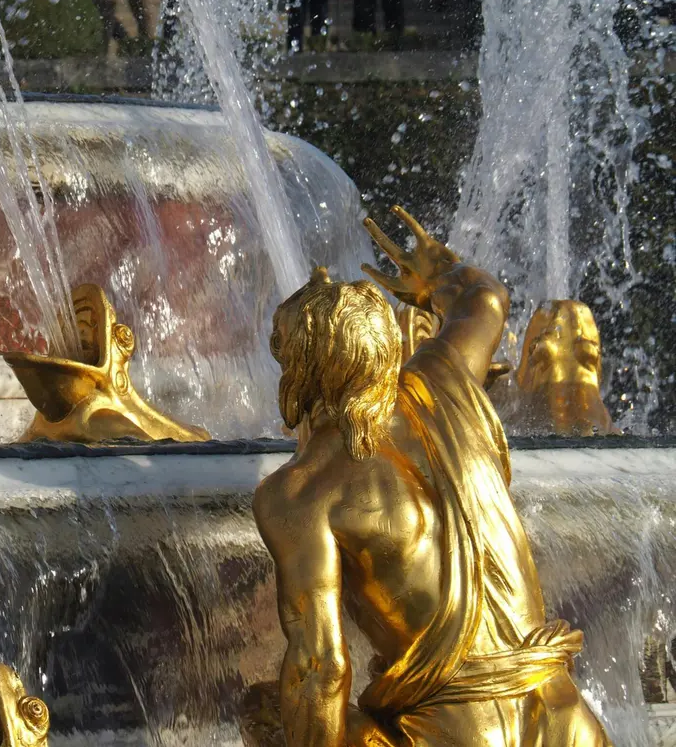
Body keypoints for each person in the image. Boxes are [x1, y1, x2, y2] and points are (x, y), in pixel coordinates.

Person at [252, 206, 613, 745]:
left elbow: (320, 671)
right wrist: (436, 276)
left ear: (302, 365)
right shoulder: (443, 384)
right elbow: (486, 299)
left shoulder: (301, 492)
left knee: (266, 715)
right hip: (564, 719)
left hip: (458, 735)